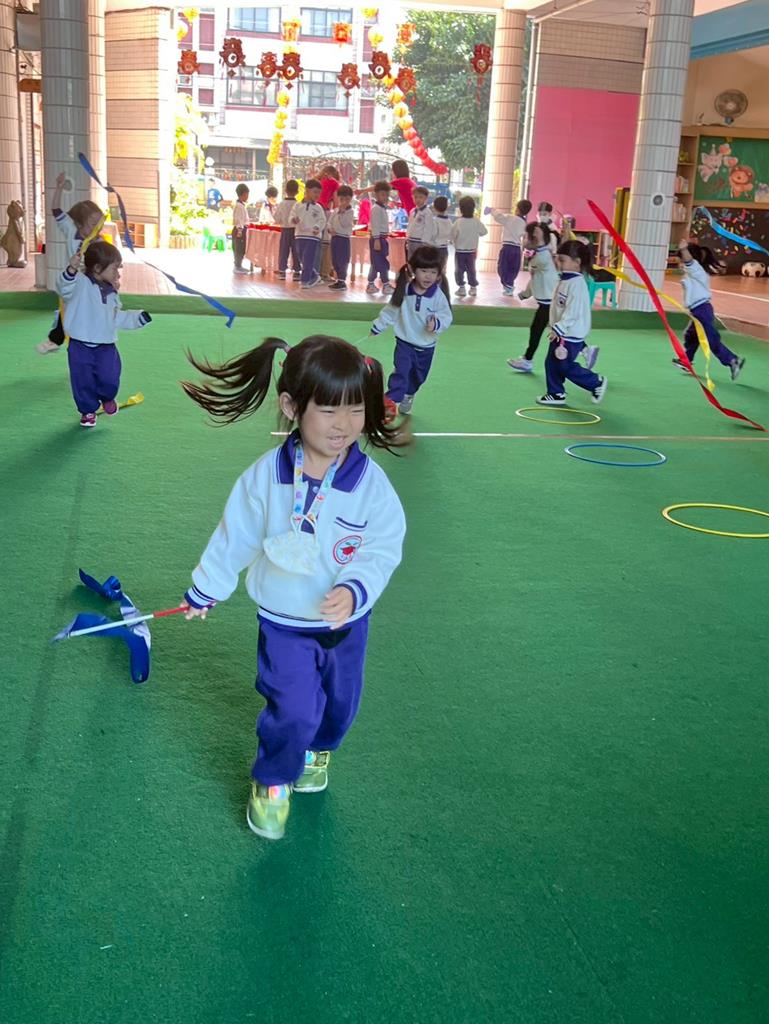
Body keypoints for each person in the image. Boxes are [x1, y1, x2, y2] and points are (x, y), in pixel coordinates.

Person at [181, 335, 406, 841]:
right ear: (290, 406)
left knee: (340, 706)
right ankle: (272, 780)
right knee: (293, 708)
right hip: (284, 623)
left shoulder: (370, 484)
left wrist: (357, 588)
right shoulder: (264, 478)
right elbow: (236, 536)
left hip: (347, 625)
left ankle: (318, 750)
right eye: (328, 410)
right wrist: (206, 587)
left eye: (355, 409)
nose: (344, 424)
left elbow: (383, 545)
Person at [56, 240, 151, 427]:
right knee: (82, 380)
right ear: (98, 268)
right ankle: (88, 411)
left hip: (105, 346)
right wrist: (71, 269)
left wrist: (138, 318)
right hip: (79, 345)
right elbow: (64, 287)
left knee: (109, 377)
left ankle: (107, 397)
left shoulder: (111, 293)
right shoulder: (80, 283)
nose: (118, 274)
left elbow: (115, 317)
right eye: (115, 268)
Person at [370, 245, 453, 416]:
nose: (428, 276)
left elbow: (446, 316)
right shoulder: (405, 291)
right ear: (413, 269)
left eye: (433, 272)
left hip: (426, 347)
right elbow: (391, 310)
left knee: (418, 378)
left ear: (439, 274)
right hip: (405, 342)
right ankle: (390, 400)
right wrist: (379, 325)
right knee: (401, 370)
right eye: (424, 271)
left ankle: (409, 394)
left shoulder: (438, 296)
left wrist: (436, 324)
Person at [36, 172, 105, 354]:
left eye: (99, 223)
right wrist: (59, 187)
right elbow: (56, 210)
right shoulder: (70, 228)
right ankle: (55, 339)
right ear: (79, 224)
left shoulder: (99, 242)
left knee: (85, 312)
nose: (97, 228)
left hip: (90, 285)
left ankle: (87, 341)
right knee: (67, 309)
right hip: (73, 281)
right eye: (93, 224)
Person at [536, 240, 607, 407]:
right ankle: (556, 393)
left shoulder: (577, 284)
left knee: (564, 366)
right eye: (557, 258)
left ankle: (595, 382)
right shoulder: (565, 280)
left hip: (569, 334)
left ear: (577, 263)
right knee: (551, 362)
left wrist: (559, 328)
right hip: (562, 332)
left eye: (562, 260)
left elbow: (572, 311)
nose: (558, 263)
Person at [674, 239, 744, 380]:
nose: (681, 263)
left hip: (702, 310)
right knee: (691, 336)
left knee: (711, 339)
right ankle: (686, 360)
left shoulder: (696, 269)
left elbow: (689, 261)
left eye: (681, 260)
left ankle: (732, 360)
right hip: (697, 311)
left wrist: (684, 249)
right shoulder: (693, 272)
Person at [506, 222, 559, 373]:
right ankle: (527, 359)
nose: (526, 239)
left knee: (539, 329)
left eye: (529, 236)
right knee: (550, 328)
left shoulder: (542, 256)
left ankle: (527, 360)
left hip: (548, 300)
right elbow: (535, 278)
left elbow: (534, 274)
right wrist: (526, 293)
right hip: (547, 299)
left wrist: (526, 293)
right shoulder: (542, 254)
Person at [488, 198, 531, 295]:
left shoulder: (509, 218)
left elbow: (498, 217)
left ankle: (508, 285)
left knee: (502, 266)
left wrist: (492, 210)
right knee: (513, 268)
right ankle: (509, 284)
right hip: (517, 248)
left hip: (507, 247)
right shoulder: (525, 223)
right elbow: (526, 237)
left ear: (517, 209)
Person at [291, 178, 326, 289]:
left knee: (308, 257)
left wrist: (317, 227)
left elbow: (322, 220)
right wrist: (293, 220)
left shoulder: (318, 208)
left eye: (319, 193)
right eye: (315, 192)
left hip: (312, 236)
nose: (317, 195)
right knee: (301, 257)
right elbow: (291, 216)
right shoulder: (297, 205)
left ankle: (305, 280)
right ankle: (314, 276)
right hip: (299, 235)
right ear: (307, 191)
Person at [450, 196, 487, 298]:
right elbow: (484, 232)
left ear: (461, 209)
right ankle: (473, 288)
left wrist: (453, 241)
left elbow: (452, 235)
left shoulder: (458, 222)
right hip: (472, 252)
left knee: (459, 270)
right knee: (472, 270)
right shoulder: (476, 221)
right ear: (473, 208)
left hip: (460, 251)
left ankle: (461, 288)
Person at [367, 180, 394, 295]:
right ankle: (385, 284)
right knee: (381, 263)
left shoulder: (382, 208)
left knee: (377, 262)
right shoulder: (376, 209)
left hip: (381, 238)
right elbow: (375, 225)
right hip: (377, 239)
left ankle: (371, 284)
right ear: (376, 194)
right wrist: (377, 239)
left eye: (387, 195)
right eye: (383, 194)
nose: (385, 197)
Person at [327, 185, 355, 291]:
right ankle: (338, 279)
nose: (344, 202)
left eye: (347, 199)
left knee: (342, 260)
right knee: (335, 260)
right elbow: (329, 222)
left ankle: (342, 280)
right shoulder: (335, 210)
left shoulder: (350, 212)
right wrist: (330, 229)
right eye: (341, 199)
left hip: (343, 238)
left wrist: (342, 212)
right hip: (335, 238)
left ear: (350, 199)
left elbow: (344, 223)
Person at [318, 165, 341, 280]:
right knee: (326, 244)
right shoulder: (334, 183)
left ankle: (315, 271)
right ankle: (325, 272)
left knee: (317, 243)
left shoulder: (318, 180)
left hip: (314, 211)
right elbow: (336, 203)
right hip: (324, 212)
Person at [274, 178, 301, 280]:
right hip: (296, 231)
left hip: (285, 230)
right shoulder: (298, 204)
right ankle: (297, 271)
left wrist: (282, 221)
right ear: (297, 192)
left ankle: (282, 271)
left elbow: (276, 218)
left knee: (283, 250)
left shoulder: (282, 204)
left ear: (285, 190)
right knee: (296, 251)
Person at [406, 186, 436, 260]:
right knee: (410, 260)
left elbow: (428, 228)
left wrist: (425, 243)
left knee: (419, 261)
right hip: (411, 240)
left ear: (425, 198)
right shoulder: (412, 211)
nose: (418, 199)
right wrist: (407, 238)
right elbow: (409, 225)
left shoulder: (427, 212)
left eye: (420, 197)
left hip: (420, 242)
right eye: (415, 197)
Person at [232, 182, 250, 275]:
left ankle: (239, 265)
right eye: (246, 194)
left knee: (241, 248)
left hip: (242, 229)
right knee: (238, 248)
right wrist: (239, 231)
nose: (247, 196)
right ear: (243, 194)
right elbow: (238, 220)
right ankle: (237, 266)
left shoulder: (241, 205)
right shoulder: (239, 206)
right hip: (240, 230)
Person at [431, 195, 452, 267]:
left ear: (434, 207)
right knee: (443, 268)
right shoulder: (449, 221)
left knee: (434, 268)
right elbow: (451, 235)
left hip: (435, 248)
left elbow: (433, 234)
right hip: (444, 248)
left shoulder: (434, 220)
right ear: (447, 207)